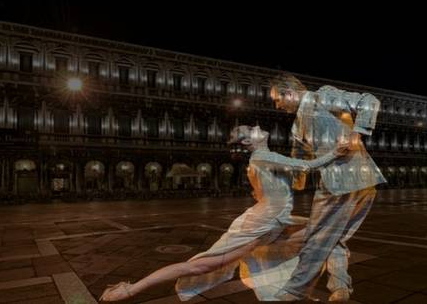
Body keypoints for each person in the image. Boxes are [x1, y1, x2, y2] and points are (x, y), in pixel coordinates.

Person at [100, 125, 346, 301]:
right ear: (249, 143)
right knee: (200, 267)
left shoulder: (260, 161)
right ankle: (130, 290)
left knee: (322, 232)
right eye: (252, 129)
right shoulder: (262, 156)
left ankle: (302, 286)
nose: (258, 126)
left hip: (271, 222)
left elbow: (273, 193)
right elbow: (307, 166)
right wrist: (337, 151)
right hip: (259, 225)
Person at [270, 74, 386, 301]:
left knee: (315, 237)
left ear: (290, 93)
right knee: (336, 237)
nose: (277, 105)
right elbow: (299, 159)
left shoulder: (322, 96)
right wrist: (292, 182)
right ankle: (340, 287)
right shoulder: (297, 126)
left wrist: (357, 133)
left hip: (338, 183)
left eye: (277, 99)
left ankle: (294, 290)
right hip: (364, 183)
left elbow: (369, 101)